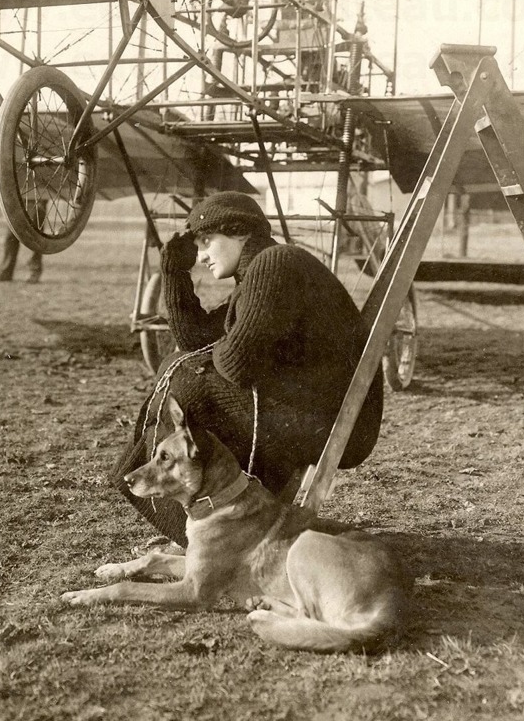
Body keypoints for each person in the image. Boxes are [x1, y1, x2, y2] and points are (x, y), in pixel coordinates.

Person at [112, 191, 383, 546]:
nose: (203, 254)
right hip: (317, 409)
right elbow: (194, 340)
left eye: (207, 241)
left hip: (334, 418)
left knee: (188, 382)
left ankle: (213, 531)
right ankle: (210, 527)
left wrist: (211, 353)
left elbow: (235, 364)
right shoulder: (258, 272)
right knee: (182, 369)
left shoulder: (276, 264)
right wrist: (174, 273)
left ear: (240, 232)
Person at [0, 200, 47, 283]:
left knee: (35, 235)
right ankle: (6, 272)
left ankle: (34, 271)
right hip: (18, 197)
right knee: (11, 234)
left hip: (37, 197)